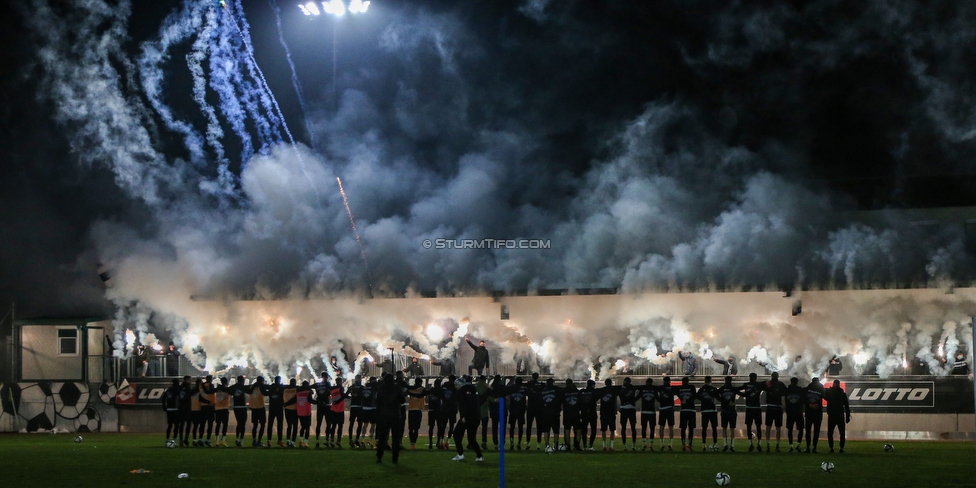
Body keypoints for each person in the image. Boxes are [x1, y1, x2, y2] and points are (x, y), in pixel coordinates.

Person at [375, 373, 407, 464]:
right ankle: (395, 458)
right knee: (395, 438)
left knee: (382, 437)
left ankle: (379, 456)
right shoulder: (396, 388)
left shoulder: (381, 389)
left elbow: (378, 402)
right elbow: (402, 400)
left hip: (384, 415)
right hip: (395, 414)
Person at [452, 375, 485, 462]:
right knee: (472, 439)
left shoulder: (461, 392)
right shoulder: (474, 390)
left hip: (467, 417)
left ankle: (460, 454)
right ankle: (479, 456)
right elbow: (479, 402)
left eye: (456, 385)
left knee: (456, 435)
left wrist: (463, 416)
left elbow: (463, 405)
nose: (455, 387)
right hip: (476, 417)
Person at [824, 379, 850, 453]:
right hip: (840, 415)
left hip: (832, 415)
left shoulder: (829, 393)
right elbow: (847, 406)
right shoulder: (842, 394)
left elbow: (823, 394)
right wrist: (847, 416)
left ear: (833, 384)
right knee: (842, 433)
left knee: (830, 433)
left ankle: (831, 447)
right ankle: (841, 448)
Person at [740, 372, 765, 452]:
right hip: (757, 408)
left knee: (749, 426)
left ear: (749, 377)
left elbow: (740, 391)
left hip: (749, 408)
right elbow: (767, 384)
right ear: (756, 377)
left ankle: (751, 444)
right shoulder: (759, 385)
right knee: (758, 427)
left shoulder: (746, 385)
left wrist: (736, 391)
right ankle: (759, 444)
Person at [763, 371, 787, 452]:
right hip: (778, 407)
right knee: (778, 428)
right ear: (778, 376)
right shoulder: (781, 384)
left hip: (770, 407)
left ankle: (768, 445)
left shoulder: (768, 383)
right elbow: (785, 394)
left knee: (768, 427)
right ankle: (777, 445)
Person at [716, 376, 739, 451]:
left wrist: (723, 401)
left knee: (724, 428)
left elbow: (717, 395)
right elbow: (740, 393)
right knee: (732, 429)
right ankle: (732, 445)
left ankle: (725, 445)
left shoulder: (722, 389)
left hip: (724, 410)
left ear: (725, 380)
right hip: (732, 411)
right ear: (731, 381)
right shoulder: (733, 388)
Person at [674, 376, 697, 451]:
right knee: (691, 428)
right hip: (691, 410)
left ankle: (683, 444)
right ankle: (689, 444)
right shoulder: (692, 387)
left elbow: (674, 391)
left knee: (683, 428)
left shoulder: (679, 388)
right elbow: (694, 396)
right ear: (688, 381)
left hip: (684, 410)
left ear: (682, 381)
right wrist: (688, 400)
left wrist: (681, 399)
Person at [697, 375, 720, 451]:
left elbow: (697, 396)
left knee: (704, 428)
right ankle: (715, 443)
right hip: (712, 410)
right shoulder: (713, 389)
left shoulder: (701, 389)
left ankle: (704, 444)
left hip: (704, 410)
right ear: (711, 381)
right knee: (714, 428)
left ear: (704, 380)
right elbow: (719, 397)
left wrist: (703, 399)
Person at [803, 377, 825, 453]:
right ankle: (814, 447)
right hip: (817, 412)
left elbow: (804, 399)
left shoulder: (808, 388)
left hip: (809, 412)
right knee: (816, 431)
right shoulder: (820, 388)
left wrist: (809, 404)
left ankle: (808, 447)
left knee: (808, 431)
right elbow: (825, 396)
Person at [784, 376, 805, 452]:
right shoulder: (800, 390)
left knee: (790, 429)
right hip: (798, 412)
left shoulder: (787, 390)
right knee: (801, 429)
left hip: (790, 412)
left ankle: (791, 445)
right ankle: (798, 445)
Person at [540, 377, 561, 450]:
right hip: (555, 413)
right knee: (556, 430)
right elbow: (560, 399)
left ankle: (547, 445)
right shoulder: (556, 390)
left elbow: (541, 402)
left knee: (546, 430)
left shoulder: (543, 391)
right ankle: (556, 445)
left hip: (545, 413)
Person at [618, 377, 639, 450]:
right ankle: (633, 445)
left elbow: (620, 395)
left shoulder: (621, 388)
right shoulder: (632, 387)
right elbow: (639, 392)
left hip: (624, 408)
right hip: (631, 408)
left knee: (623, 427)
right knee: (633, 427)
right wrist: (633, 400)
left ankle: (625, 445)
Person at [598, 378, 619, 451]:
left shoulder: (602, 390)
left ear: (605, 383)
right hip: (611, 412)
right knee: (612, 430)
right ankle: (611, 446)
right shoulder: (614, 390)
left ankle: (604, 446)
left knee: (603, 430)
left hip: (603, 412)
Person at [561, 379, 582, 450]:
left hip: (567, 413)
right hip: (575, 413)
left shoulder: (563, 391)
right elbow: (580, 401)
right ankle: (577, 445)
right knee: (578, 430)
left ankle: (568, 445)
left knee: (567, 430)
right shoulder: (576, 391)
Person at [656, 376, 676, 451]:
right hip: (670, 409)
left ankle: (661, 444)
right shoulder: (672, 388)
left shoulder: (661, 388)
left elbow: (655, 393)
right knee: (671, 427)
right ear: (669, 381)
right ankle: (670, 444)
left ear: (663, 381)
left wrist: (660, 400)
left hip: (663, 409)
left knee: (661, 427)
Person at [437, 375, 458, 449]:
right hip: (452, 409)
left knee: (443, 425)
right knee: (451, 426)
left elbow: (439, 395)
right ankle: (448, 442)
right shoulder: (455, 387)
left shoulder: (443, 386)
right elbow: (457, 398)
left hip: (444, 408)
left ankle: (442, 441)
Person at [525, 373, 545, 449]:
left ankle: (528, 443)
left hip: (531, 407)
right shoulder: (541, 385)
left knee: (529, 426)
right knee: (539, 426)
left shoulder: (529, 384)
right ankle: (538, 443)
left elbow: (526, 391)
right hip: (539, 408)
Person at [638, 378, 658, 451]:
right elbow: (658, 398)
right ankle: (650, 444)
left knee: (644, 428)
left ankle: (644, 444)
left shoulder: (643, 389)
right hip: (651, 411)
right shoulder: (654, 389)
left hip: (645, 411)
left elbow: (637, 397)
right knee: (651, 428)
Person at [247, 376, 267, 447]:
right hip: (260, 407)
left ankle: (254, 440)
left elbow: (248, 392)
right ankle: (259, 441)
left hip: (253, 408)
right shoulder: (261, 387)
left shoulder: (252, 387)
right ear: (262, 381)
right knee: (262, 425)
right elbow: (266, 393)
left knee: (255, 426)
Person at [488, 375, 507, 449]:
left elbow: (488, 397)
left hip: (494, 410)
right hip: (502, 409)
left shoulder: (491, 388)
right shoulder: (502, 387)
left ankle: (495, 442)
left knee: (494, 427)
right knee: (503, 427)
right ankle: (502, 443)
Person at [578, 379, 598, 451]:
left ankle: (585, 445)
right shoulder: (594, 392)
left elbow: (579, 402)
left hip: (584, 413)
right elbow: (593, 401)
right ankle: (590, 445)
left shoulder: (582, 392)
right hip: (592, 413)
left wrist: (582, 409)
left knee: (584, 430)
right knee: (593, 430)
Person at [313, 373, 332, 448]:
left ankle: (318, 440)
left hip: (320, 405)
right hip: (326, 405)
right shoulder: (327, 384)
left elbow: (309, 386)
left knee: (319, 423)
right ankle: (326, 440)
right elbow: (330, 391)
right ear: (326, 377)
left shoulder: (317, 384)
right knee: (328, 423)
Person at [406, 378, 426, 449]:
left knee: (411, 428)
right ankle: (414, 443)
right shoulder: (422, 389)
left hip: (411, 409)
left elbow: (407, 391)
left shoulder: (411, 389)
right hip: (418, 410)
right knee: (416, 428)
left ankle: (412, 443)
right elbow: (422, 395)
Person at [230, 375, 249, 447]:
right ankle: (241, 439)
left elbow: (229, 391)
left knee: (239, 423)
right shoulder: (243, 387)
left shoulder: (234, 387)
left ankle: (237, 438)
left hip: (236, 407)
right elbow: (249, 390)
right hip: (242, 407)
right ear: (243, 380)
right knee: (243, 423)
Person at [327, 379, 347, 448]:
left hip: (333, 409)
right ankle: (338, 440)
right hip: (340, 409)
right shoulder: (340, 388)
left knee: (334, 426)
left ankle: (331, 440)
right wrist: (347, 394)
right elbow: (343, 396)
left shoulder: (332, 389)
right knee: (340, 426)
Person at [266, 376, 285, 447]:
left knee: (270, 424)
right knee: (280, 424)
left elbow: (266, 393)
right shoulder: (281, 387)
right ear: (279, 380)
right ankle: (279, 440)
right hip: (279, 407)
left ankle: (269, 440)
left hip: (272, 407)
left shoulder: (271, 387)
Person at [359, 377, 378, 448]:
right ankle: (370, 439)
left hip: (364, 408)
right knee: (373, 424)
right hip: (372, 408)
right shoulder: (374, 388)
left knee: (365, 424)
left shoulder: (364, 388)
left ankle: (362, 439)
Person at [347, 375, 365, 448]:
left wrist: (351, 398)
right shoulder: (362, 387)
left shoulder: (352, 386)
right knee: (359, 424)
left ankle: (351, 439)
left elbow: (345, 394)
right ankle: (356, 439)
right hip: (359, 407)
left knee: (352, 423)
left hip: (353, 406)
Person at [163, 378, 181, 446]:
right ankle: (174, 440)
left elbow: (163, 398)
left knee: (170, 425)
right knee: (176, 425)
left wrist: (164, 407)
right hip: (176, 409)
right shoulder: (178, 389)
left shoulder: (169, 390)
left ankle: (167, 439)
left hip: (169, 409)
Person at [213, 377, 231, 447]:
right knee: (225, 425)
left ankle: (217, 441)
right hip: (225, 408)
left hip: (217, 408)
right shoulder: (227, 390)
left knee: (218, 425)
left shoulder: (217, 389)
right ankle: (222, 441)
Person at [295, 380, 313, 448]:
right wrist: (318, 402)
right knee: (307, 427)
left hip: (300, 411)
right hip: (307, 411)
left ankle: (300, 440)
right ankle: (305, 442)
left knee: (303, 427)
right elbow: (310, 400)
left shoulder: (298, 392)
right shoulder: (308, 392)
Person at [425, 378, 442, 449]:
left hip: (431, 410)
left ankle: (430, 443)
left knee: (431, 427)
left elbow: (426, 394)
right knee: (439, 427)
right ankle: (438, 442)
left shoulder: (431, 390)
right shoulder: (441, 390)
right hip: (438, 410)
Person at [199, 375, 216, 446]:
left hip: (203, 406)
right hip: (210, 406)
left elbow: (200, 397)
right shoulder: (211, 385)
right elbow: (210, 392)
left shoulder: (201, 386)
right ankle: (208, 440)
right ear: (211, 379)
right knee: (210, 424)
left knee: (202, 424)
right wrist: (209, 402)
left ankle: (200, 439)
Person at [282, 378, 298, 446]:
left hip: (287, 409)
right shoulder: (296, 389)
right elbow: (295, 399)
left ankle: (288, 440)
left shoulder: (285, 389)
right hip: (294, 409)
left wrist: (285, 404)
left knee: (289, 425)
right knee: (295, 426)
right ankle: (292, 441)